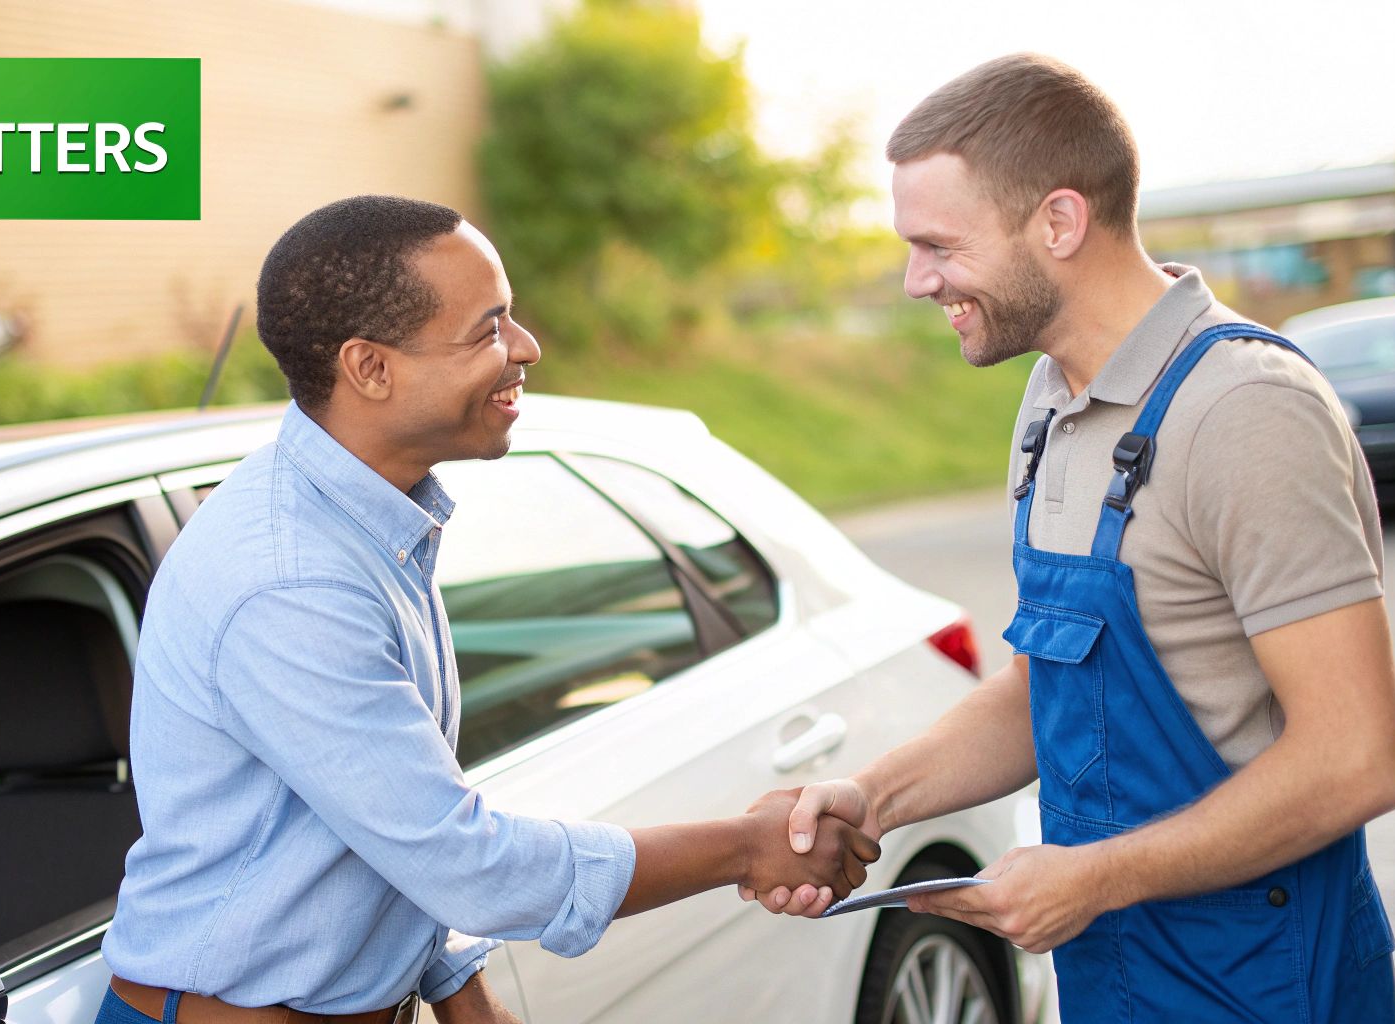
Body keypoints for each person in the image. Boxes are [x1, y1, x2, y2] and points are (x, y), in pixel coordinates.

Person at [96, 195, 875, 1024]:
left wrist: (457, 984)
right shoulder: (290, 583)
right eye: (488, 329)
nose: (526, 348)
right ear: (370, 368)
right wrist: (746, 847)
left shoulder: (366, 519)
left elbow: (377, 815)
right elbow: (461, 859)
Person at [750, 55, 1395, 1022]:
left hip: (1269, 984)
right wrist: (872, 799)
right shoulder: (1054, 396)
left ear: (1058, 222)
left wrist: (1092, 878)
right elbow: (1045, 684)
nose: (914, 279)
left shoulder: (1248, 412)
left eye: (938, 245)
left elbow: (1358, 757)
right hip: (1119, 975)